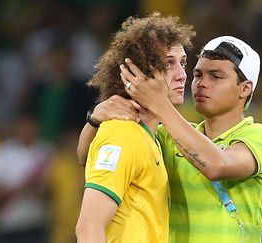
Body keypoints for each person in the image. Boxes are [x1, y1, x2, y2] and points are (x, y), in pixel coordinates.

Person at [79, 36, 262, 243]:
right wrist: (94, 119)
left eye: (216, 76)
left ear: (245, 88)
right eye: (197, 74)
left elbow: (216, 165)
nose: (201, 83)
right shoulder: (167, 136)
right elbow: (90, 157)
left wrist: (159, 103)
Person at [74, 12, 195, 243]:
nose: (182, 75)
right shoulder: (124, 134)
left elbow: (84, 156)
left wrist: (93, 121)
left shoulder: (155, 136)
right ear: (137, 72)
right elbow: (89, 228)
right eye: (169, 63)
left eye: (183, 63)